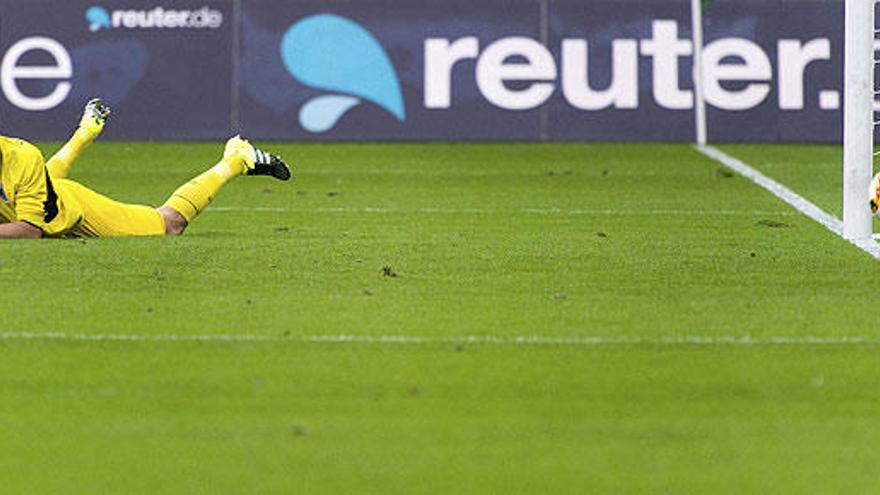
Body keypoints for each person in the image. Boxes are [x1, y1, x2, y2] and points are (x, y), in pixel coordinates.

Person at [0, 99, 291, 238]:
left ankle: (235, 160)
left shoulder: (21, 156)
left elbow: (30, 231)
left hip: (74, 212)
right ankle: (84, 134)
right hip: (34, 194)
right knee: (32, 184)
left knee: (168, 224)